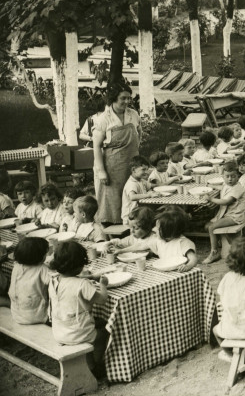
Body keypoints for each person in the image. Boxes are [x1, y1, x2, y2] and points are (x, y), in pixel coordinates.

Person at [48, 241, 109, 373]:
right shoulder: (82, 284)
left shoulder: (53, 280)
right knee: (104, 331)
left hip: (60, 331)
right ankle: (94, 365)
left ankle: (90, 361)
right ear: (80, 265)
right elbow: (103, 300)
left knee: (96, 322)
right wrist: (103, 284)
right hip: (76, 334)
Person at [93, 83, 141, 224]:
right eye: (123, 98)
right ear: (114, 98)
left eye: (129, 98)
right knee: (113, 198)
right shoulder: (103, 119)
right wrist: (101, 171)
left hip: (131, 162)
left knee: (131, 193)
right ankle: (112, 225)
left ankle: (133, 225)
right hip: (112, 165)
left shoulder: (133, 114)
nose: (127, 102)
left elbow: (138, 134)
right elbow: (96, 146)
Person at [203, 161, 245, 263]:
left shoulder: (238, 188)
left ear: (238, 176)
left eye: (233, 176)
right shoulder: (228, 184)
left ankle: (214, 252)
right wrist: (212, 187)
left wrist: (211, 199)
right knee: (207, 225)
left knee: (211, 227)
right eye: (227, 176)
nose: (230, 179)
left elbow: (227, 202)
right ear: (223, 176)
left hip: (234, 216)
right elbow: (223, 187)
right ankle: (219, 243)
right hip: (226, 214)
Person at [9, 237, 50, 324]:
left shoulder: (16, 266)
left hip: (17, 314)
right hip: (36, 316)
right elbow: (55, 282)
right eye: (45, 254)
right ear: (38, 256)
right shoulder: (42, 269)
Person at [121, 156, 155, 225]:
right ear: (134, 170)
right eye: (143, 169)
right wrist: (149, 195)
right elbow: (132, 197)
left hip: (139, 214)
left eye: (147, 169)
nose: (146, 172)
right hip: (131, 217)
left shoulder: (141, 180)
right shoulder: (131, 183)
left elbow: (151, 186)